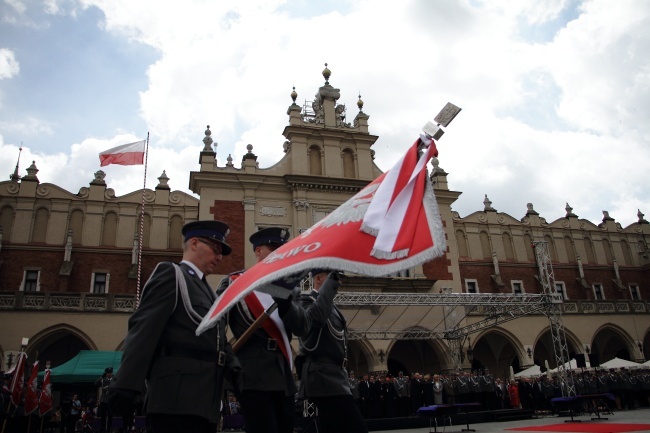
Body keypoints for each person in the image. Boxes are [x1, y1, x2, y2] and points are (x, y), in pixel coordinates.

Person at [107, 220, 241, 433]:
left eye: (221, 252)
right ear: (194, 243)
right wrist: (125, 385)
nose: (219, 257)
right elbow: (143, 330)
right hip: (174, 398)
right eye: (215, 249)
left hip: (205, 400)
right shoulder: (171, 274)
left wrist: (234, 370)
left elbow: (216, 338)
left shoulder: (206, 289)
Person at [225, 226, 308, 433]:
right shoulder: (235, 283)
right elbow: (217, 326)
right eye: (274, 249)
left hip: (283, 376)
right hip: (253, 375)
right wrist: (230, 363)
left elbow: (302, 327)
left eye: (282, 249)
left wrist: (285, 302)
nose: (280, 254)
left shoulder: (291, 287)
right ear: (258, 251)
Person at [297, 269, 367, 433]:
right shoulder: (306, 300)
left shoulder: (331, 306)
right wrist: (333, 278)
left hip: (335, 376)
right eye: (333, 278)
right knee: (356, 427)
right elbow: (317, 317)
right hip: (323, 377)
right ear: (319, 278)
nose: (338, 283)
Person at [94, 367, 113, 433]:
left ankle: (109, 430)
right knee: (103, 416)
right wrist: (101, 377)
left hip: (111, 400)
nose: (109, 374)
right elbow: (96, 384)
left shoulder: (114, 380)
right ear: (106, 374)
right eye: (108, 373)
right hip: (104, 400)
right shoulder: (103, 379)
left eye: (110, 373)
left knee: (110, 415)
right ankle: (103, 430)